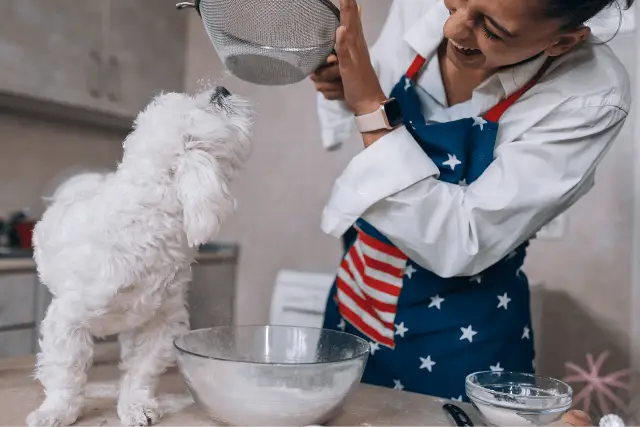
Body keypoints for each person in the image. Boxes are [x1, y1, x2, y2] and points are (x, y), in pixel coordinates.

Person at [312, 0, 632, 404]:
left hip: (465, 342)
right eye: (454, 2)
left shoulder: (591, 93)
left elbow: (461, 240)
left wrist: (368, 109)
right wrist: (348, 83)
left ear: (563, 42)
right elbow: (380, 99)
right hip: (359, 297)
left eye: (492, 31)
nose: (453, 30)